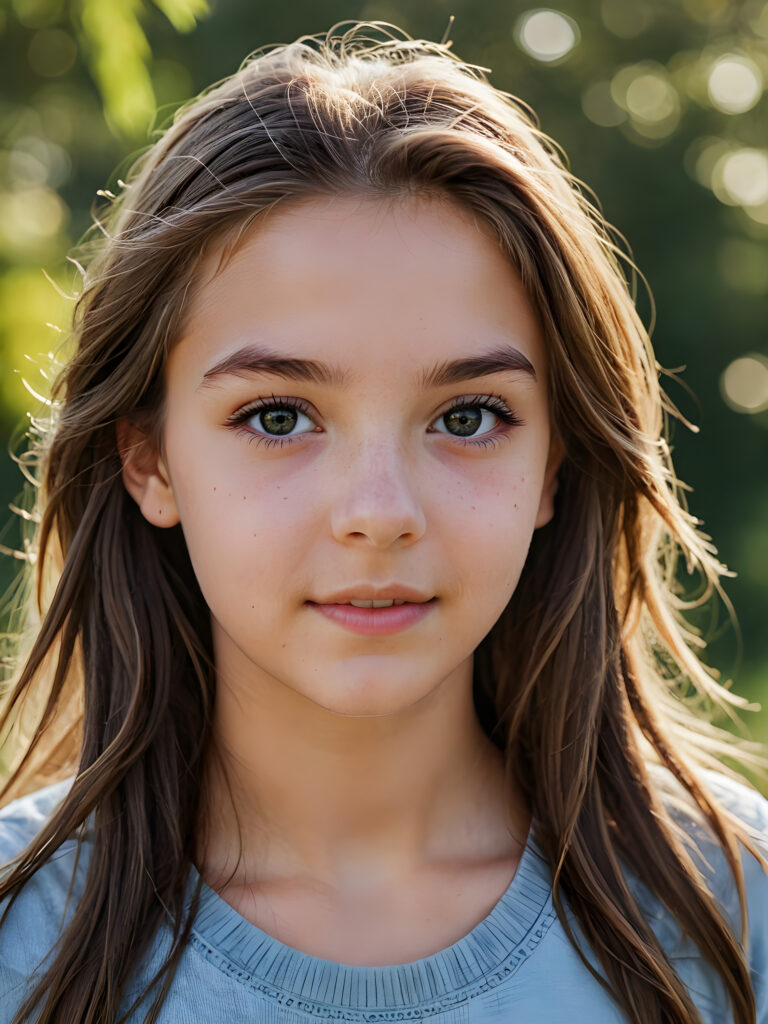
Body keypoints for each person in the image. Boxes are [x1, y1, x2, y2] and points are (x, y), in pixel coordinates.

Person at [0, 19, 765, 1024]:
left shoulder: (733, 912)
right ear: (149, 459)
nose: (378, 514)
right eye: (277, 416)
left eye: (467, 417)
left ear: (554, 465)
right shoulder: (19, 941)